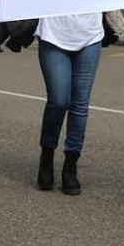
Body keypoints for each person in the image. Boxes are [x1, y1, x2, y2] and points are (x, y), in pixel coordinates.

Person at [35, 13, 104, 195]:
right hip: (53, 34)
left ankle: (71, 165)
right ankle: (47, 155)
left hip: (90, 36)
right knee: (58, 101)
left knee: (80, 105)